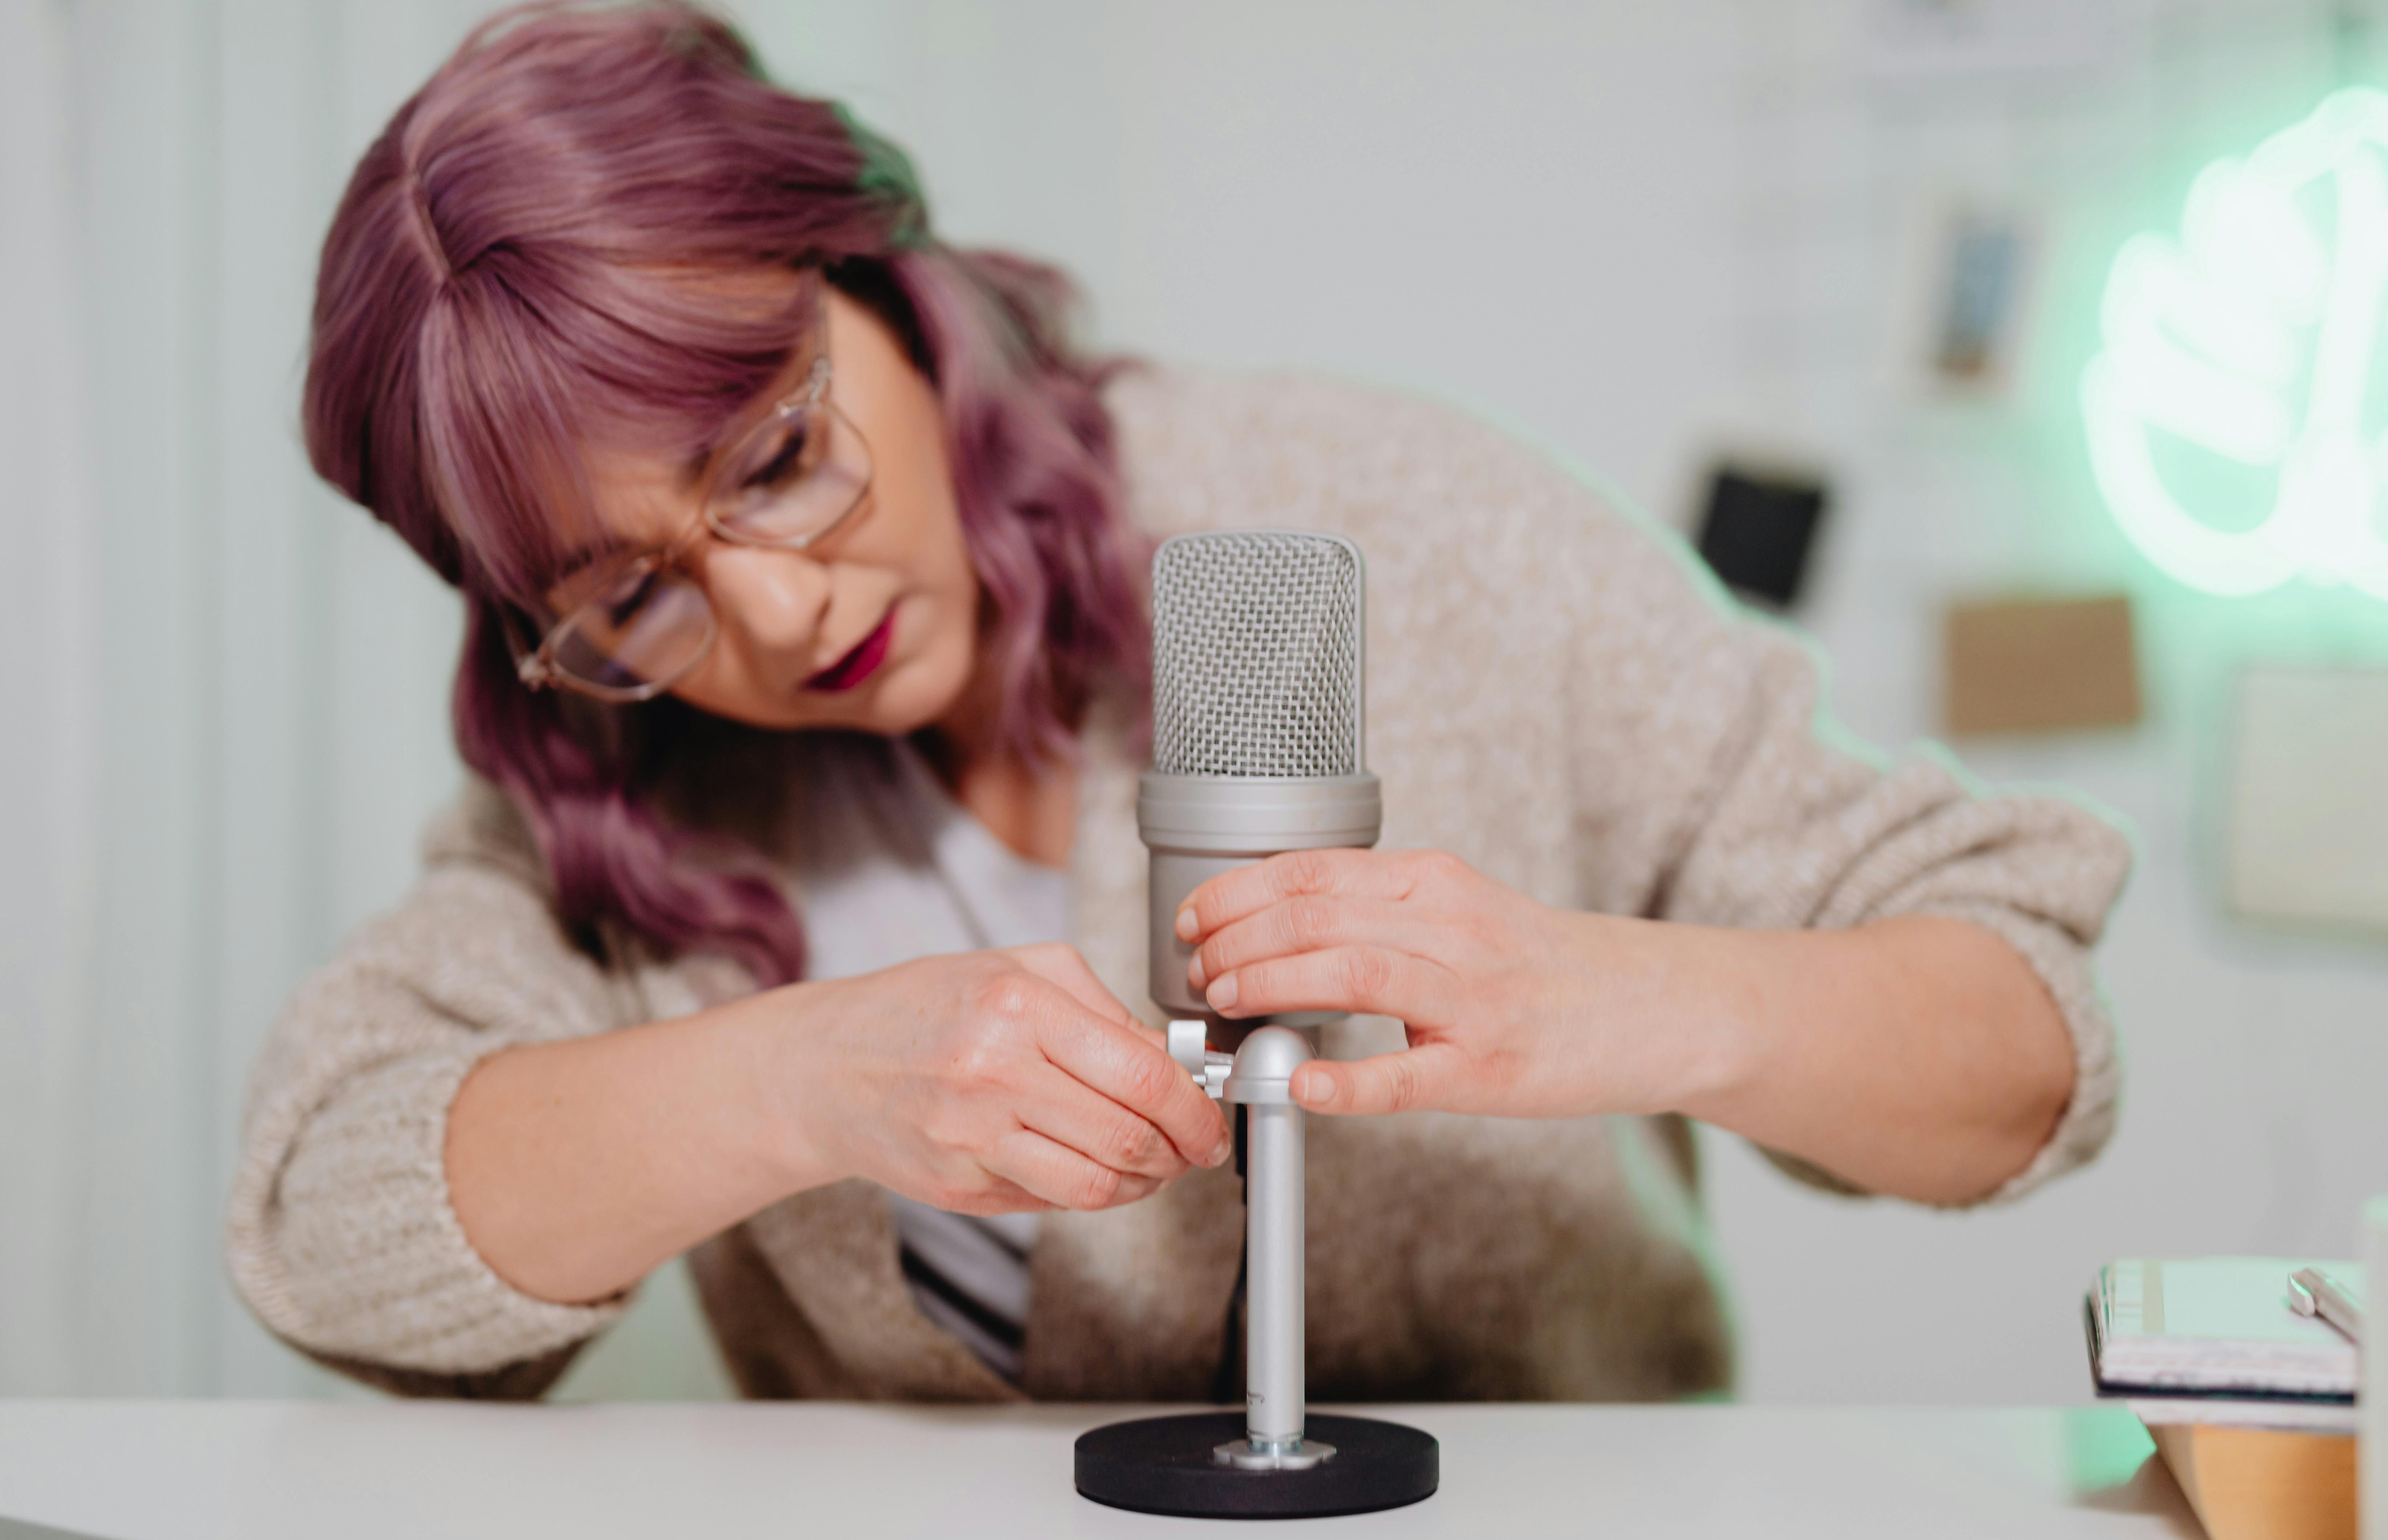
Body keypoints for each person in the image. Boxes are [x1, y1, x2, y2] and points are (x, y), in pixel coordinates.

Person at [227, 2, 2130, 1403]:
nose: (780, 610)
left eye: (775, 452)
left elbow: (2021, 1046)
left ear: (881, 271)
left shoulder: (1388, 514)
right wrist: (795, 1077)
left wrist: (1624, 997)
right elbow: (323, 1219)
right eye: (632, 590)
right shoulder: (618, 774)